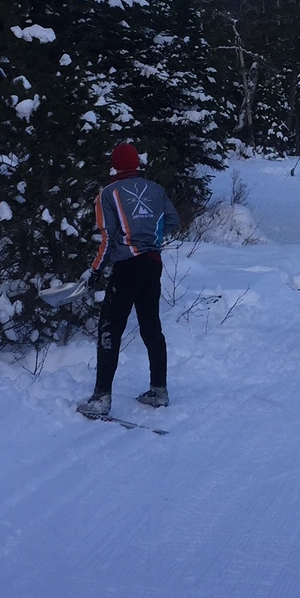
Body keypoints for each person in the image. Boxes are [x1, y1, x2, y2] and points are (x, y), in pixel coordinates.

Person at [77, 143, 181, 418]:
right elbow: (173, 220)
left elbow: (109, 238)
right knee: (151, 328)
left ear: (115, 165)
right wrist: (151, 237)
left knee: (109, 328)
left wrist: (95, 270)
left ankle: (101, 398)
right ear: (136, 164)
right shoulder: (156, 190)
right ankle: (159, 390)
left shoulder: (108, 194)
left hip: (126, 267)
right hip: (152, 265)